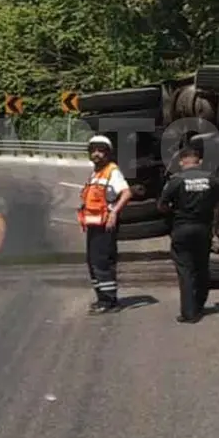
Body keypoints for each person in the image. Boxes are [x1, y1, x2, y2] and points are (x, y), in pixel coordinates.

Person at [158, 143, 219, 323]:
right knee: (202, 267)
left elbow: (162, 205)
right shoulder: (212, 179)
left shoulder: (176, 180)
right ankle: (199, 305)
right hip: (203, 228)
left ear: (181, 162)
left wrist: (172, 211)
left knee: (185, 270)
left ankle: (189, 313)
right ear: (200, 161)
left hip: (182, 228)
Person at [78, 134, 133, 313]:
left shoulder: (112, 171)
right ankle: (101, 297)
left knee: (102, 263)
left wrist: (114, 213)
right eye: (93, 151)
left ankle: (110, 301)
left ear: (108, 154)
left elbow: (126, 193)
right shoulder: (95, 173)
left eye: (101, 151)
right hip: (94, 226)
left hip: (105, 226)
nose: (96, 154)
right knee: (93, 262)